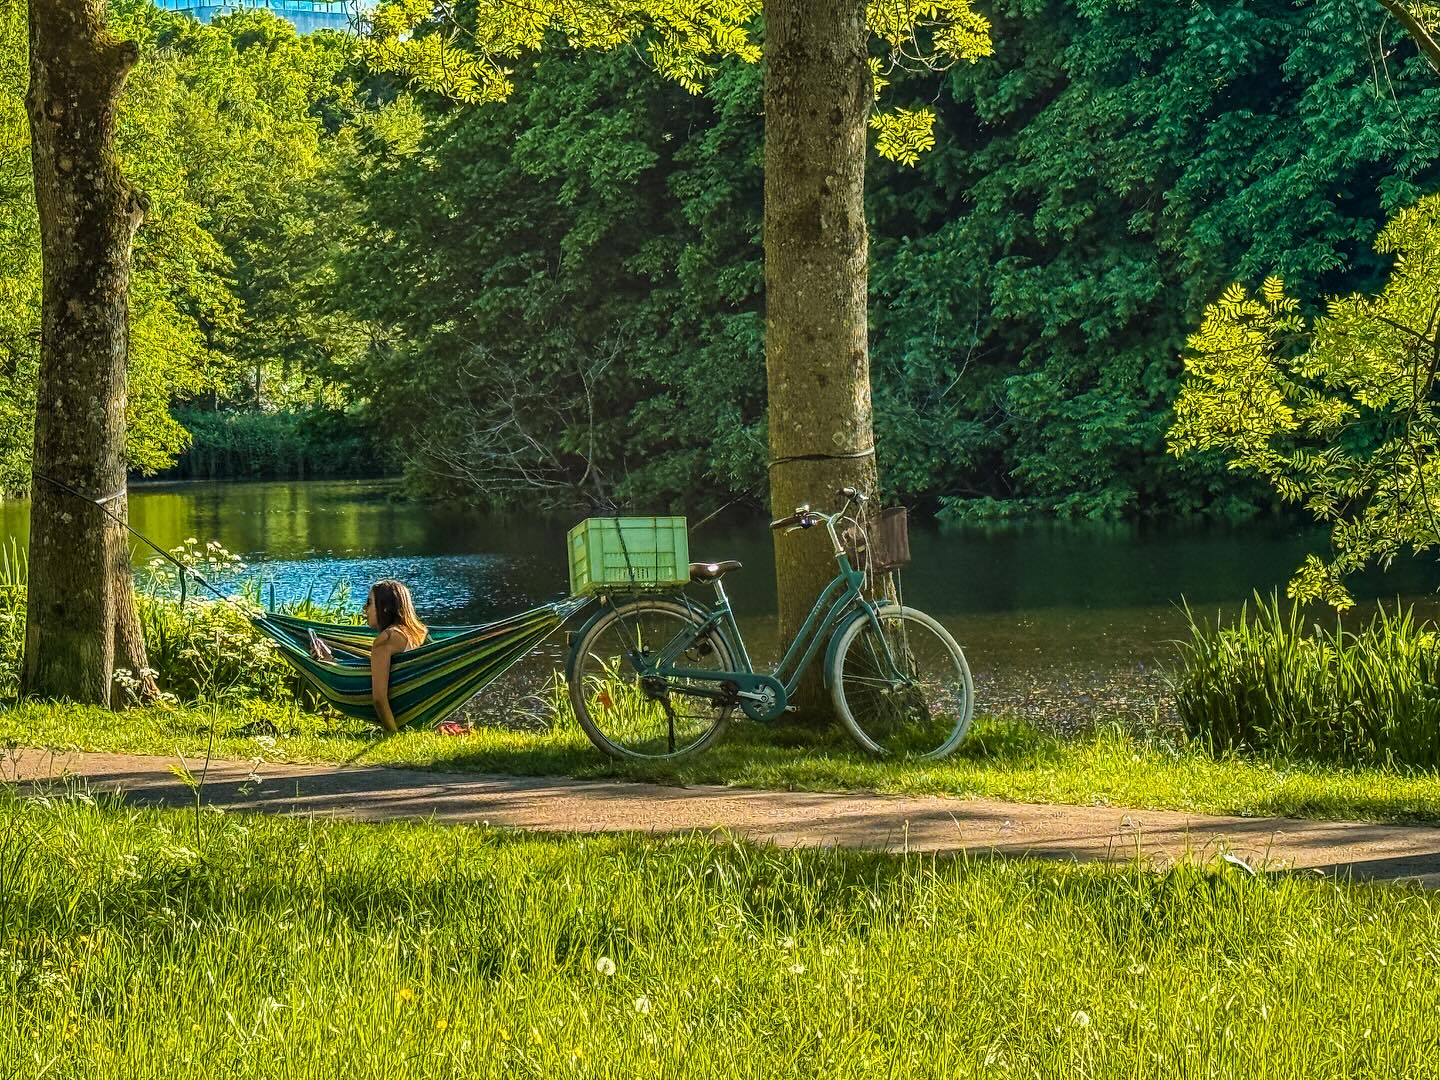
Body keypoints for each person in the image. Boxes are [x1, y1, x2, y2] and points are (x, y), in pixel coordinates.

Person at [364, 579, 428, 732]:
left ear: (385, 607)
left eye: (369, 603)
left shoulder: (386, 639)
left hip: (403, 711)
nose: (364, 608)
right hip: (418, 708)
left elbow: (379, 698)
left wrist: (393, 733)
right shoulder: (417, 633)